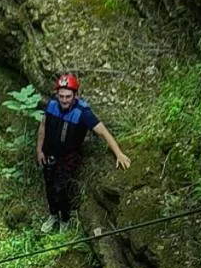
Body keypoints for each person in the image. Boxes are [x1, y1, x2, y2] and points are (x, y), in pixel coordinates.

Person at [35, 72, 130, 232]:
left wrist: (119, 153)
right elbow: (43, 127)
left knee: (60, 188)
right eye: (61, 96)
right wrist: (39, 150)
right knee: (49, 186)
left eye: (68, 96)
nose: (64, 100)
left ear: (75, 95)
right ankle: (53, 215)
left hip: (69, 156)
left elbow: (103, 132)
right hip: (49, 152)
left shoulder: (83, 113)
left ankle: (64, 219)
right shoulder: (51, 105)